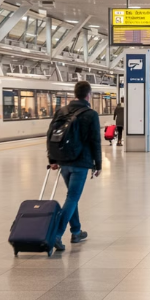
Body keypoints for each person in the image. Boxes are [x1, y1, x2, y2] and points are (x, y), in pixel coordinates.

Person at [47, 80, 102, 251]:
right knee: (72, 198)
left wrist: (52, 159)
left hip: (64, 162)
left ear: (75, 94)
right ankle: (57, 234)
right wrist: (98, 164)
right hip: (81, 162)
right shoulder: (91, 114)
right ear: (88, 95)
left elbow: (51, 135)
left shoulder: (61, 111)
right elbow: (95, 141)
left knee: (72, 197)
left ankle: (76, 231)